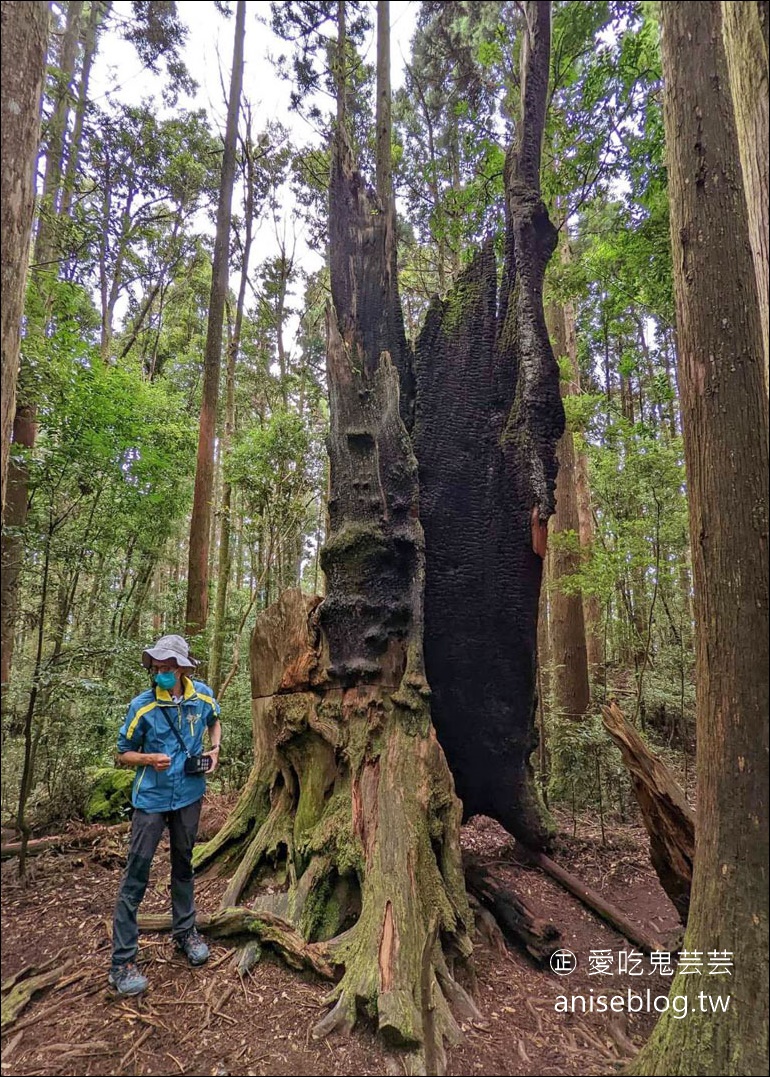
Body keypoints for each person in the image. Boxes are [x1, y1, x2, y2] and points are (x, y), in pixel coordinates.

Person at [108, 634, 222, 996]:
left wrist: (215, 750)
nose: (162, 673)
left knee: (183, 865)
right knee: (136, 875)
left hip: (189, 795)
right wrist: (148, 759)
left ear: (183, 668)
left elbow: (214, 720)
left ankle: (185, 933)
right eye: (157, 668)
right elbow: (122, 752)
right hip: (151, 800)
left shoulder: (201, 695)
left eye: (168, 667)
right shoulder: (142, 706)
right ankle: (122, 962)